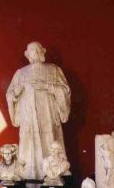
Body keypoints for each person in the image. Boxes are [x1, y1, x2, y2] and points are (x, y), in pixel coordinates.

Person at [6, 41, 71, 180]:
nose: (33, 53)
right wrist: (15, 93)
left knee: (50, 141)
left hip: (47, 114)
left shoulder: (53, 70)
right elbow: (9, 94)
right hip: (28, 116)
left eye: (35, 50)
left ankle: (52, 172)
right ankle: (27, 172)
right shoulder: (21, 72)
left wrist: (49, 87)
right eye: (30, 50)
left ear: (41, 52)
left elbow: (65, 91)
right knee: (28, 142)